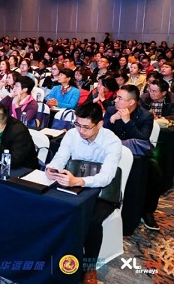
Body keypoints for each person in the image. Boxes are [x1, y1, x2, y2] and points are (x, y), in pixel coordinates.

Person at [45, 103, 122, 284]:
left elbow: (106, 177)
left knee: (92, 220)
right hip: (73, 183)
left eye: (86, 127)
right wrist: (52, 168)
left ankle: (89, 267)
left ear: (100, 124)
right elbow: (60, 158)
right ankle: (54, 255)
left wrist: (79, 181)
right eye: (78, 125)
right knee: (52, 205)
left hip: (101, 191)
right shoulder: (72, 134)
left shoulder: (112, 142)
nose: (81, 130)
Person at [103, 85, 162, 231]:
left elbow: (143, 139)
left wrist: (127, 122)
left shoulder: (145, 116)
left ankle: (147, 211)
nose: (115, 101)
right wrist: (111, 120)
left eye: (120, 98)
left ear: (131, 102)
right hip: (112, 151)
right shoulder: (111, 111)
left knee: (154, 171)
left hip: (136, 154)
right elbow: (101, 134)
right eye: (116, 97)